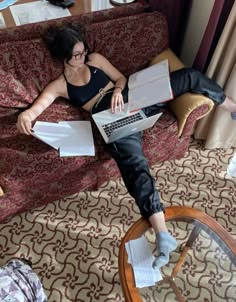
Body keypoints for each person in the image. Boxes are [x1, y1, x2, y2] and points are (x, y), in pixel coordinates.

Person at [16, 25, 236, 269]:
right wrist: (26, 116)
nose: (82, 57)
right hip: (111, 118)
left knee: (189, 76)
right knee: (135, 167)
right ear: (63, 57)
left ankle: (233, 108)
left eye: (83, 51)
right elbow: (36, 108)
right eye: (76, 55)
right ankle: (163, 235)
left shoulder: (96, 60)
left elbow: (120, 77)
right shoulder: (60, 85)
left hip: (132, 96)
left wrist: (119, 89)